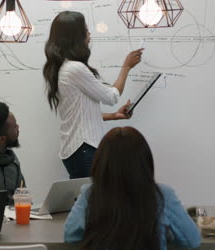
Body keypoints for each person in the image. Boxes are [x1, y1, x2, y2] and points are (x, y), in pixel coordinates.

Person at [64, 127, 201, 250]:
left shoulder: (90, 193)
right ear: (145, 161)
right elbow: (192, 240)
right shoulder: (163, 194)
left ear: (101, 162)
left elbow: (70, 235)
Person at [43, 10, 144, 179]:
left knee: (91, 199)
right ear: (76, 36)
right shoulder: (75, 69)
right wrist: (126, 67)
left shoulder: (65, 67)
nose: (89, 34)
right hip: (84, 150)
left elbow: (80, 113)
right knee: (93, 201)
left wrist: (115, 116)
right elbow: (112, 96)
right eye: (86, 30)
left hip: (79, 150)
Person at [0, 102, 26, 205]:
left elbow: (23, 200)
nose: (18, 128)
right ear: (2, 139)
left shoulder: (13, 161)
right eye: (14, 127)